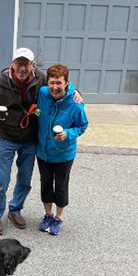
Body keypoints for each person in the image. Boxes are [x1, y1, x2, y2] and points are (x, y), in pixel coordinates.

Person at [0, 48, 81, 235]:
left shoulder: (41, 78)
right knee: (2, 179)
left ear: (32, 65)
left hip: (30, 138)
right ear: (12, 64)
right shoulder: (1, 81)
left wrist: (75, 91)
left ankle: (15, 210)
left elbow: (60, 84)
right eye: (19, 63)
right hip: (7, 137)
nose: (22, 68)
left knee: (25, 179)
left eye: (26, 64)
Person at [35, 63, 88, 236]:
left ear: (66, 83)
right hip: (43, 151)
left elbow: (82, 125)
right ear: (47, 83)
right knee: (45, 184)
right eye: (52, 82)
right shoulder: (42, 93)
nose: (55, 87)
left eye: (59, 83)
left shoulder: (75, 103)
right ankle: (47, 214)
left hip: (64, 154)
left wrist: (68, 133)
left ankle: (58, 217)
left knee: (61, 186)